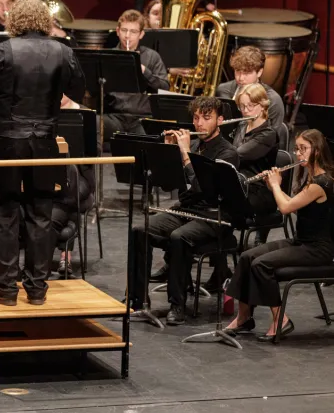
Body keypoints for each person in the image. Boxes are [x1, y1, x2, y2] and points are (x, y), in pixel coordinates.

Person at [0, 0, 86, 306]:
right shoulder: (64, 51)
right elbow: (78, 90)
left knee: (5, 213)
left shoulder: (2, 51)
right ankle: (37, 288)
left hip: (8, 140)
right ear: (44, 21)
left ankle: (6, 289)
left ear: (14, 21)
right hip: (45, 140)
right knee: (40, 214)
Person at [128, 97, 240, 324]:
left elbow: (204, 191)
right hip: (187, 210)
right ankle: (137, 300)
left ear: (220, 120)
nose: (199, 124)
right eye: (196, 118)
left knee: (179, 237)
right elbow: (168, 185)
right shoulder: (194, 146)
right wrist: (169, 153)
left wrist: (185, 154)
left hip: (214, 216)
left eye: (206, 118)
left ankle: (177, 305)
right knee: (140, 229)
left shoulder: (228, 154)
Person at [225, 130, 334, 342]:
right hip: (301, 242)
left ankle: (280, 319)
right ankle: (243, 317)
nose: (298, 154)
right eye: (297, 149)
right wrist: (272, 187)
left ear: (317, 151)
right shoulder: (311, 178)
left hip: (317, 249)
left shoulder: (321, 183)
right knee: (247, 257)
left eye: (303, 149)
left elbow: (285, 208)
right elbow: (294, 206)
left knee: (261, 265)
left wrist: (276, 185)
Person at [102, 10, 169, 140]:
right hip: (114, 116)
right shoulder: (107, 56)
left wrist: (144, 71)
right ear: (117, 31)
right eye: (124, 30)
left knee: (150, 139)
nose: (127, 36)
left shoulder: (152, 57)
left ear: (141, 34)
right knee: (92, 124)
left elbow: (164, 88)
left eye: (133, 32)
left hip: (142, 118)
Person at [230, 83, 279, 248]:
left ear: (262, 105)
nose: (245, 110)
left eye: (250, 106)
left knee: (223, 203)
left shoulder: (268, 134)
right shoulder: (242, 125)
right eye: (242, 106)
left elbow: (236, 155)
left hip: (258, 189)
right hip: (239, 183)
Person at [217, 46, 286, 128]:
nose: (241, 78)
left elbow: (273, 133)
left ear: (259, 72)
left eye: (246, 72)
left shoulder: (272, 100)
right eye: (238, 71)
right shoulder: (223, 90)